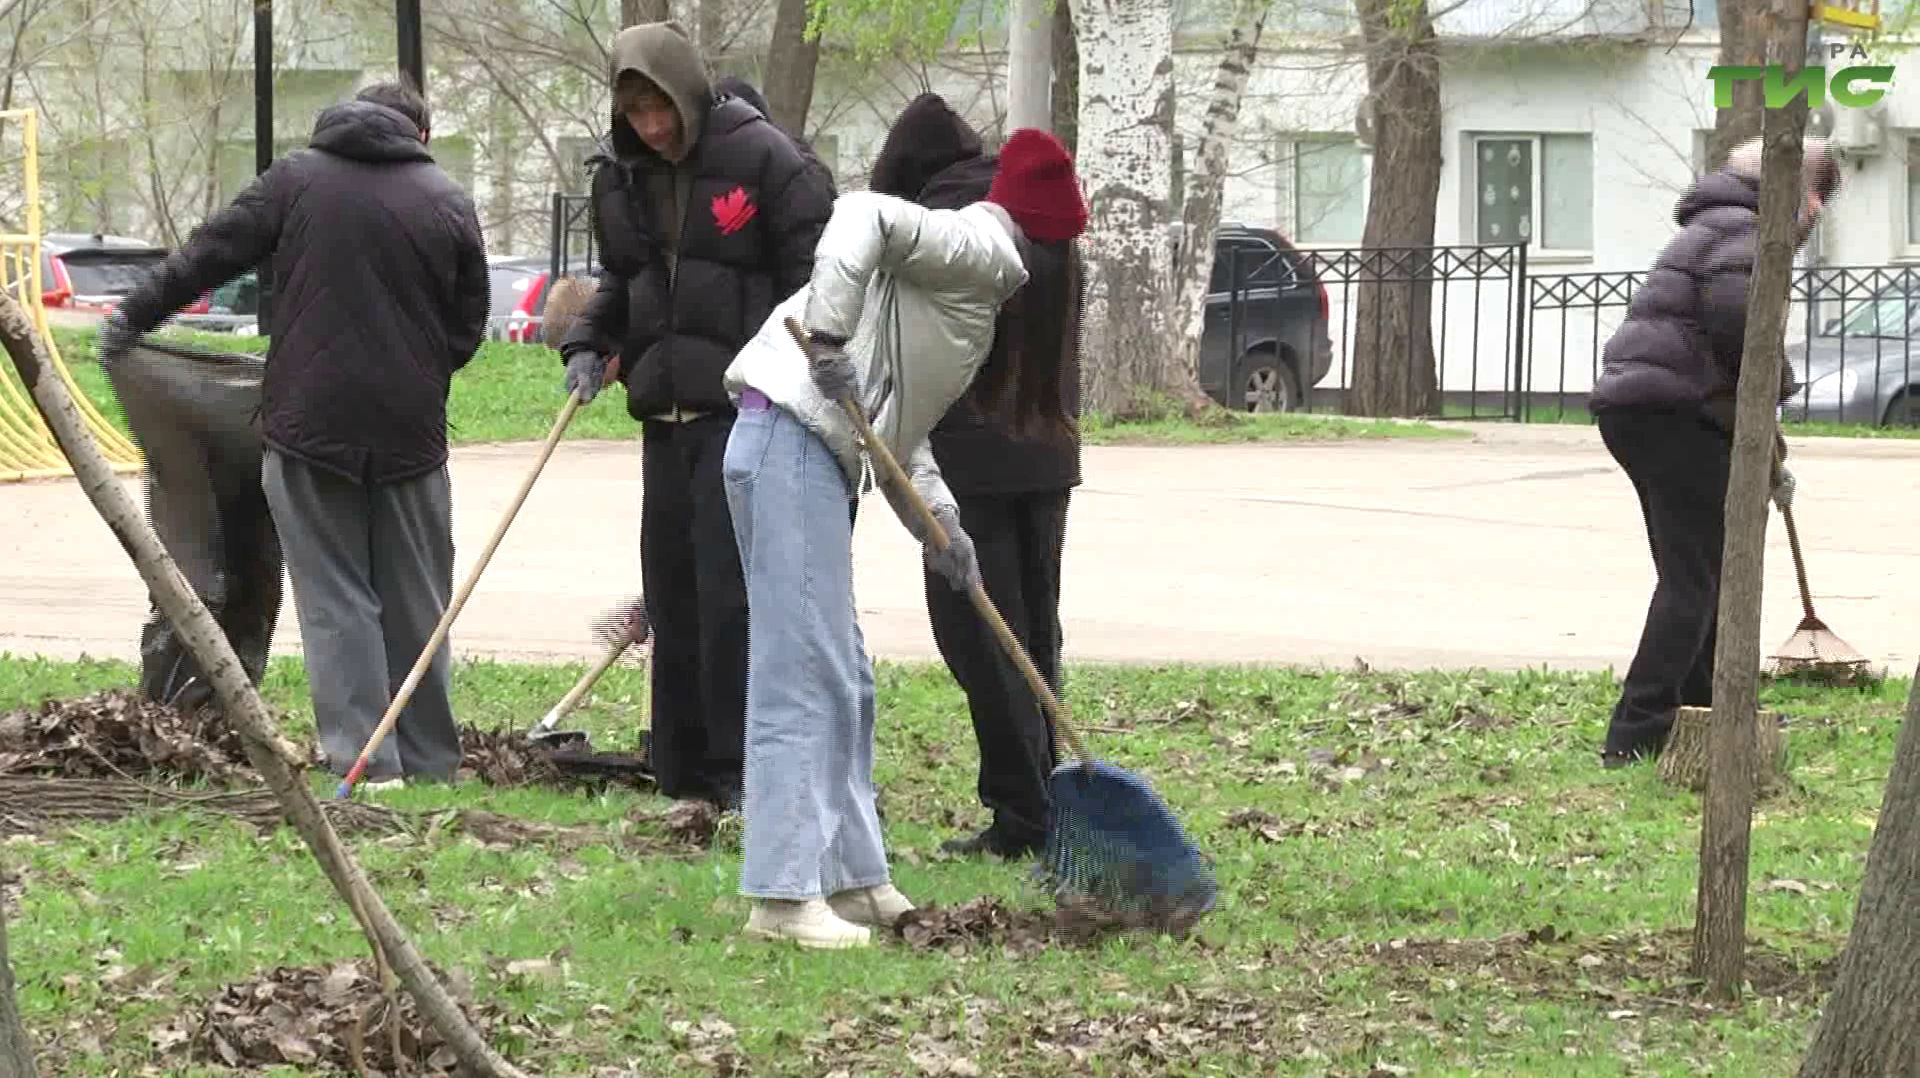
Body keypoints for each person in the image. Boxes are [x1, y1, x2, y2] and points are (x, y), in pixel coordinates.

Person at [719, 127, 1089, 949]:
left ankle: (854, 876)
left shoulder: (973, 296)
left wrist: (941, 522)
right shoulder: (983, 247)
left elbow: (892, 424)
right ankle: (782, 896)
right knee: (802, 670)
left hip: (807, 444)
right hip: (785, 433)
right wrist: (825, 331)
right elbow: (861, 215)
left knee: (846, 675)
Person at [95, 80, 491, 787]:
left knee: (337, 598)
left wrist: (134, 317)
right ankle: (432, 761)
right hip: (411, 435)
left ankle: (369, 768)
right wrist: (417, 370)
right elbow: (467, 326)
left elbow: (210, 253)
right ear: (419, 134)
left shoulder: (297, 179)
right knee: (417, 599)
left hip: (310, 430)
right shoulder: (446, 199)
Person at [557, 22, 836, 812]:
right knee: (671, 592)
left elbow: (818, 284)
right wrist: (590, 340)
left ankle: (739, 770)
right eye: (635, 111)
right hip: (664, 417)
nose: (652, 127)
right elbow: (627, 281)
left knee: (730, 596)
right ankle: (678, 769)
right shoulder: (623, 176)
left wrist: (810, 369)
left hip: (743, 412)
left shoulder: (767, 162)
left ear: (686, 90)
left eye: (661, 109)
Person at [868, 93, 1085, 859]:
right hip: (1050, 452)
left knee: (982, 638)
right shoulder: (1037, 214)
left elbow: (925, 350)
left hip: (967, 462)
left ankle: (1021, 814)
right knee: (1035, 630)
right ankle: (1048, 794)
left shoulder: (943, 229)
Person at [1586, 135, 1841, 768]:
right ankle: (1638, 729)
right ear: (1805, 201)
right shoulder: (1743, 232)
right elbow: (1737, 322)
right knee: (1695, 576)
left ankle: (1704, 708)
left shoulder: (1712, 224)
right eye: (1815, 206)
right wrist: (1776, 384)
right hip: (1673, 413)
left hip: (1649, 407)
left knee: (1708, 570)